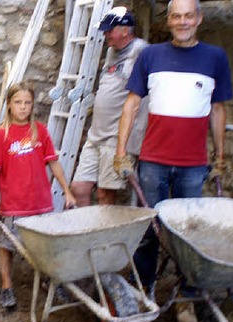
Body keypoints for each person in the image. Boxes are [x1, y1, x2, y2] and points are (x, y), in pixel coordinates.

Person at [113, 0, 233, 322]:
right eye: (176, 16)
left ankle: (186, 299)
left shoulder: (214, 58)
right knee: (148, 231)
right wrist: (121, 152)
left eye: (188, 16)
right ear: (169, 20)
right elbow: (131, 104)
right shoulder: (150, 56)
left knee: (189, 234)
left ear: (199, 18)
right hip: (152, 161)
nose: (182, 22)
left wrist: (219, 158)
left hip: (193, 164)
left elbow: (218, 110)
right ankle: (143, 291)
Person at [0, 82, 76, 309]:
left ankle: (51, 280)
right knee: (7, 245)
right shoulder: (1, 135)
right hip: (14, 204)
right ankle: (6, 286)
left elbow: (53, 163)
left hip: (41, 203)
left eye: (27, 103)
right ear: (9, 105)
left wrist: (67, 190)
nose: (23, 107)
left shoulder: (40, 131)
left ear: (32, 105)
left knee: (49, 245)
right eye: (18, 102)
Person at [71, 7, 149, 206]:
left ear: (125, 29)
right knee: (79, 188)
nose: (105, 34)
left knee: (106, 194)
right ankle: (84, 234)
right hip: (96, 134)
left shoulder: (141, 50)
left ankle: (104, 236)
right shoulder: (111, 51)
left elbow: (146, 94)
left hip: (116, 137)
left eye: (109, 30)